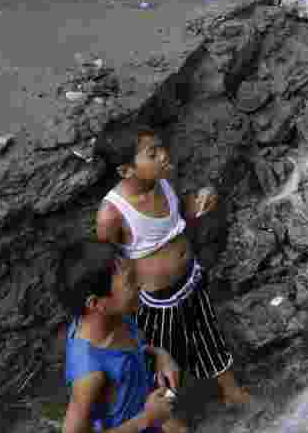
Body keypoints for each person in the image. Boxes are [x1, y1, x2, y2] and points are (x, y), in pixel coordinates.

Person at [93, 125, 252, 406]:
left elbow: (181, 212)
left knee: (207, 333)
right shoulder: (113, 214)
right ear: (125, 171)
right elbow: (109, 262)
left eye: (161, 148)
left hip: (191, 279)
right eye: (153, 154)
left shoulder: (163, 182)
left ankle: (230, 389)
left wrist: (202, 201)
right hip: (156, 300)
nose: (164, 156)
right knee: (164, 354)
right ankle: (167, 417)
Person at [56, 240, 186, 433]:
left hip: (148, 409)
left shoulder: (115, 317)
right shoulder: (89, 374)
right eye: (131, 281)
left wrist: (161, 355)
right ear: (96, 303)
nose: (141, 283)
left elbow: (130, 353)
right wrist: (147, 419)